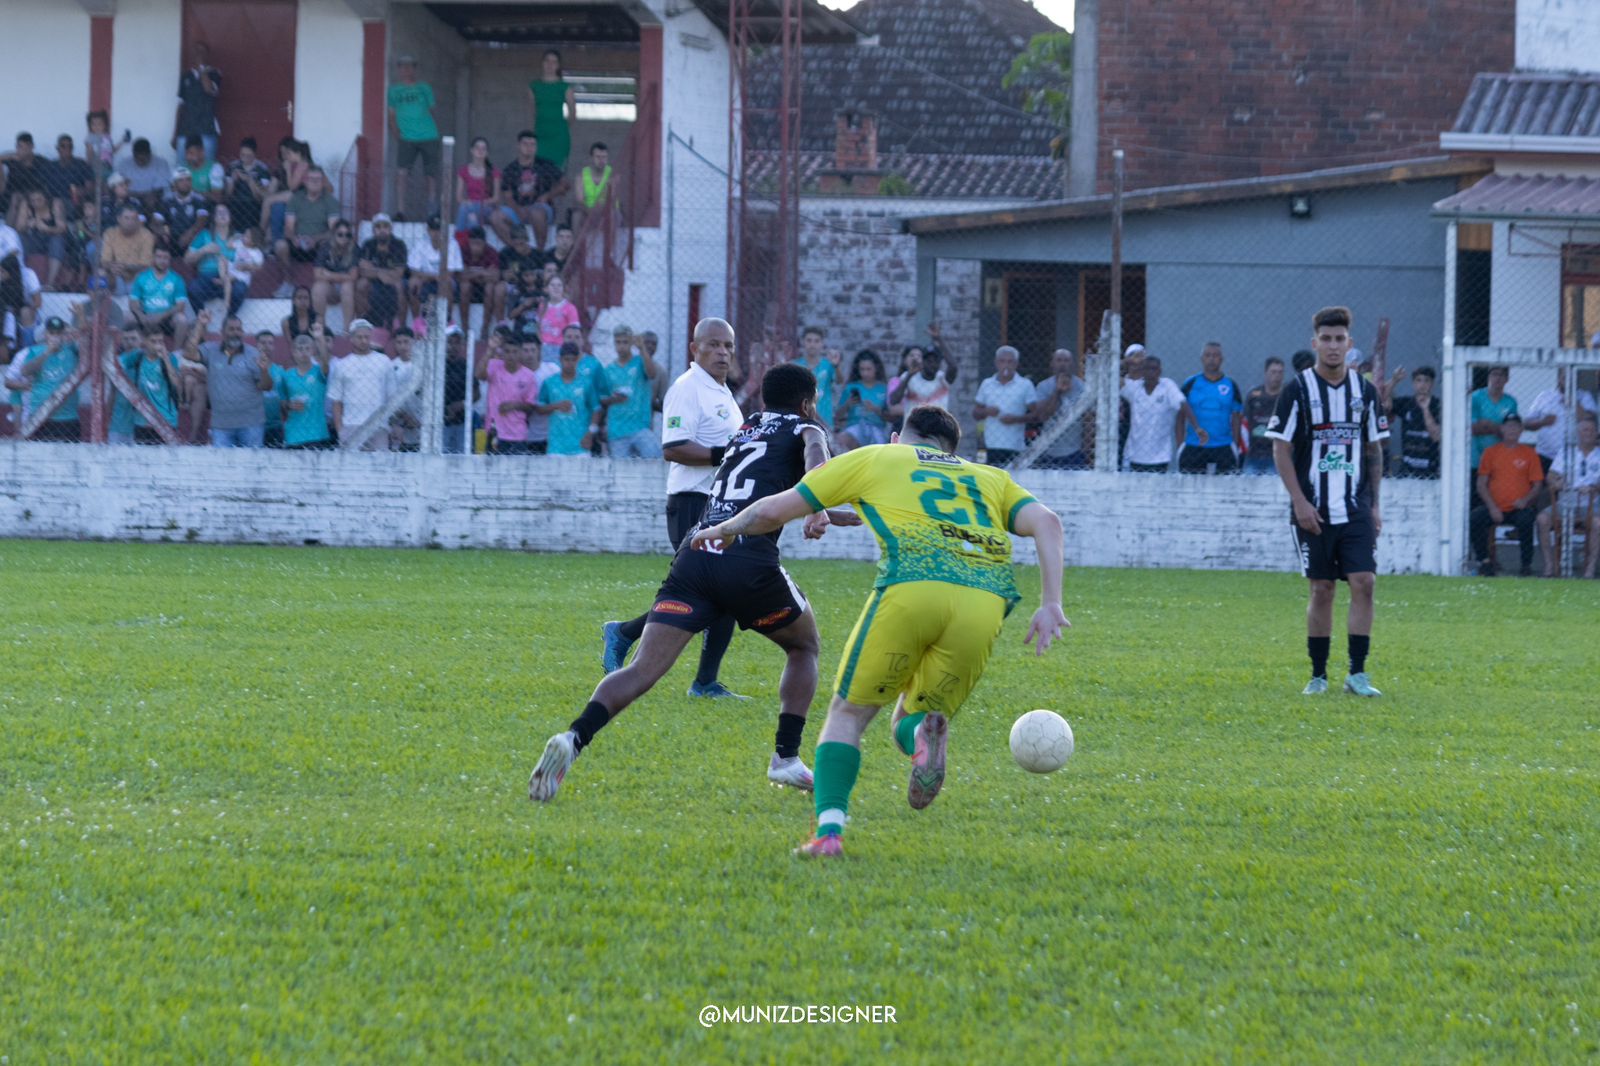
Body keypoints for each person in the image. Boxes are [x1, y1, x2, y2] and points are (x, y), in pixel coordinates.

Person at [686, 404, 1067, 857]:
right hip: (986, 603)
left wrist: (727, 528)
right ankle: (921, 735)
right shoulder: (989, 477)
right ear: (952, 450)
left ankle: (829, 835)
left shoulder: (878, 457)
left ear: (897, 438)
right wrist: (1051, 602)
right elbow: (1048, 522)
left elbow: (776, 508)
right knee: (910, 717)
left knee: (847, 714)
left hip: (913, 587)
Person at [529, 363, 862, 804]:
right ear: (807, 402)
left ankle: (572, 738)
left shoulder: (746, 429)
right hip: (746, 558)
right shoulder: (807, 427)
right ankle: (785, 757)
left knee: (641, 670)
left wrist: (827, 513)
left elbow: (756, 490)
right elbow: (816, 459)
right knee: (804, 647)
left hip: (697, 553)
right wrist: (819, 506)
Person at [600, 318, 750, 699]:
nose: (722, 352)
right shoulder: (687, 389)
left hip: (718, 504)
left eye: (728, 346)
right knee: (712, 593)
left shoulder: (722, 392)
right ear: (694, 349)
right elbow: (674, 448)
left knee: (718, 593)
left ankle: (634, 638)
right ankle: (699, 680)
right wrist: (726, 455)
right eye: (713, 344)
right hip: (690, 503)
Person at [1266, 305, 1390, 697]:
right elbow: (1280, 449)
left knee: (1364, 582)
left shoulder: (1364, 392)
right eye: (1326, 339)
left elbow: (1374, 449)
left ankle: (1357, 674)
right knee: (1322, 589)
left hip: (1355, 507)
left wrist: (1374, 505)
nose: (1333, 346)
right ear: (1315, 343)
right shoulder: (1297, 390)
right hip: (1313, 509)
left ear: (1349, 344)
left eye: (1340, 339)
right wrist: (1299, 502)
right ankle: (1318, 675)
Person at [1470, 413, 1543, 577]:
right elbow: (1481, 484)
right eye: (1508, 426)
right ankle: (1485, 562)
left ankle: (1526, 565)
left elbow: (1537, 485)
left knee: (1526, 520)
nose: (1512, 430)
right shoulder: (1490, 452)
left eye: (1516, 426)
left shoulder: (1530, 453)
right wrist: (1492, 507)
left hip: (1519, 507)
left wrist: (1525, 500)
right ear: (1502, 429)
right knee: (1474, 519)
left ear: (1521, 430)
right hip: (1495, 507)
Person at [184, 311, 271, 447]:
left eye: (239, 329)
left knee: (253, 461)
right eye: (231, 329)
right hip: (221, 426)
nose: (236, 333)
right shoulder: (211, 350)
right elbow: (189, 353)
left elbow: (266, 386)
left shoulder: (254, 354)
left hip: (251, 424)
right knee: (223, 462)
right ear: (222, 332)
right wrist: (200, 324)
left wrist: (264, 371)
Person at [1536, 414, 1600, 578]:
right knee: (1542, 519)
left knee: (1598, 524)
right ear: (1577, 433)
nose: (1588, 433)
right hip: (1565, 502)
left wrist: (1593, 487)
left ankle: (1590, 568)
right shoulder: (1566, 452)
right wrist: (1557, 483)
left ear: (1597, 433)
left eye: (1591, 430)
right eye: (1584, 430)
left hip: (1592, 504)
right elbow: (1550, 476)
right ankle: (1549, 565)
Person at [1121, 354, 1201, 472]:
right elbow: (1114, 379)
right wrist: (1126, 362)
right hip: (1134, 454)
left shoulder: (1167, 386)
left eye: (1154, 369)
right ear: (1142, 371)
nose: (1151, 372)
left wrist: (1197, 427)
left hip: (1160, 456)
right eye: (1147, 368)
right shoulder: (1135, 388)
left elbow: (1183, 404)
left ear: (1160, 371)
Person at [326, 319, 395, 451]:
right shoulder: (342, 365)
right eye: (359, 337)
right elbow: (336, 402)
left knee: (380, 463)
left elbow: (392, 397)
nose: (363, 340)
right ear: (351, 339)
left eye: (366, 337)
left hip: (378, 426)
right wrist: (340, 431)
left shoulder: (384, 361)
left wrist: (390, 424)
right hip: (351, 425)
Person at [109, 325, 183, 444]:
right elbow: (114, 366)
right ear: (145, 342)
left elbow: (176, 384)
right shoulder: (137, 356)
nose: (158, 345)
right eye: (153, 341)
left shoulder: (170, 358)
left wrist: (166, 359)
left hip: (166, 419)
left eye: (160, 341)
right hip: (142, 420)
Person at [11, 316, 81, 440]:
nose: (55, 337)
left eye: (58, 333)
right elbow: (25, 371)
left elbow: (86, 346)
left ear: (63, 334)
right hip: (40, 416)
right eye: (52, 333)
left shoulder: (71, 349)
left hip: (68, 417)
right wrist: (47, 352)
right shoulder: (35, 351)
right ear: (46, 334)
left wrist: (77, 327)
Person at [1177, 342, 1243, 474]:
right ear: (1202, 359)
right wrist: (1180, 444)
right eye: (1208, 355)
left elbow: (1237, 418)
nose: (1211, 359)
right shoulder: (1190, 383)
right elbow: (1180, 416)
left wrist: (1235, 445)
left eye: (1215, 355)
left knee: (1226, 485)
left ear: (1222, 359)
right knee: (1190, 485)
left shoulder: (1231, 385)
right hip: (1194, 445)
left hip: (1223, 446)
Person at [496, 130, 567, 248]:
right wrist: (519, 211)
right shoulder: (510, 169)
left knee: (536, 212)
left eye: (533, 144)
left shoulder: (545, 165)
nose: (529, 147)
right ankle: (518, 249)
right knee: (496, 216)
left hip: (542, 208)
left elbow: (565, 184)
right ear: (518, 146)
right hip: (518, 209)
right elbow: (508, 197)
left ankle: (539, 253)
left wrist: (547, 196)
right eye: (525, 144)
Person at [478, 330, 546, 454]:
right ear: (503, 353)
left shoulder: (529, 376)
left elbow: (531, 407)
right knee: (493, 466)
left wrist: (514, 405)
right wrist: (490, 350)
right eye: (507, 351)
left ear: (520, 353)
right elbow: (479, 375)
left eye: (514, 352)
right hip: (495, 432)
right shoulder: (494, 366)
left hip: (518, 434)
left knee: (517, 466)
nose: (511, 355)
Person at [388, 55, 441, 214]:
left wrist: (432, 130)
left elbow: (433, 110)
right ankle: (400, 211)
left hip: (429, 136)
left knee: (430, 175)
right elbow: (391, 115)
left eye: (410, 66)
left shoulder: (424, 88)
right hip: (406, 138)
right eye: (403, 66)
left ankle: (431, 211)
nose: (406, 69)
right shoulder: (393, 90)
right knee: (402, 174)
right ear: (398, 69)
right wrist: (397, 134)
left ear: (415, 69)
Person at [602, 325, 663, 458]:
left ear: (631, 343)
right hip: (617, 430)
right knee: (620, 469)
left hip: (640, 427)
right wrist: (614, 399)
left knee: (655, 458)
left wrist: (642, 348)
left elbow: (652, 374)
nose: (621, 346)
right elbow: (603, 399)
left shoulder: (640, 362)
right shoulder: (609, 370)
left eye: (625, 342)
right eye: (618, 342)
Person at [973, 345, 1038, 467]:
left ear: (1016, 364)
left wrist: (1016, 419)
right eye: (1002, 361)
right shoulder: (987, 384)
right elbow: (975, 413)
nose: (1006, 365)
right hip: (990, 445)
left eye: (1010, 362)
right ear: (996, 363)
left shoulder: (1025, 385)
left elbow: (1036, 415)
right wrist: (986, 411)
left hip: (1015, 445)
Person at [1524, 368, 1597, 475]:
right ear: (1559, 378)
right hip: (1545, 455)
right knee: (1544, 484)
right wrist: (1542, 422)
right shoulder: (1544, 396)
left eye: (1572, 377)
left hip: (1573, 456)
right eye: (1565, 377)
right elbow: (1526, 424)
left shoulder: (1584, 396)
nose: (1569, 381)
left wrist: (1573, 402)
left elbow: (1590, 420)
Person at [273, 324, 333, 450]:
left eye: (307, 349)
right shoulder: (286, 375)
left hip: (316, 433)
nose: (303, 352)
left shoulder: (319, 372)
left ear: (312, 351)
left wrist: (320, 338)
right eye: (300, 349)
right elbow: (283, 402)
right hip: (293, 434)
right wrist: (289, 405)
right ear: (294, 352)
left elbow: (325, 362)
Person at [1028, 348, 1090, 470]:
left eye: (1066, 361)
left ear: (1072, 364)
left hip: (1074, 450)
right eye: (1059, 360)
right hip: (1048, 449)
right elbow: (1043, 416)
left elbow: (1088, 419)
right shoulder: (1043, 386)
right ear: (1052, 364)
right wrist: (1057, 391)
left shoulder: (1082, 387)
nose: (1062, 364)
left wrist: (1086, 448)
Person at [538, 342, 602, 455]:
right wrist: (556, 406)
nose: (570, 363)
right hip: (556, 446)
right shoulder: (549, 382)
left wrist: (590, 434)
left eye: (573, 360)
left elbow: (596, 409)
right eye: (566, 359)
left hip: (580, 445)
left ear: (577, 360)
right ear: (560, 359)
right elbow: (539, 408)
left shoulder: (586, 383)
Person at [184, 203, 245, 318]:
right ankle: (203, 319)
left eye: (225, 212)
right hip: (208, 278)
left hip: (231, 278)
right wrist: (203, 250)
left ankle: (229, 320)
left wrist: (229, 277)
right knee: (193, 288)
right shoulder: (204, 235)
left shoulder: (238, 237)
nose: (222, 215)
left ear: (230, 216)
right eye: (219, 212)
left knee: (240, 289)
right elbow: (187, 259)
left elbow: (247, 260)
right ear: (213, 218)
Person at [276, 167, 340, 270]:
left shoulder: (331, 201)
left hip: (319, 243)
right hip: (298, 242)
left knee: (329, 245)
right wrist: (294, 238)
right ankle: (287, 277)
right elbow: (288, 227)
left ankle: (321, 275)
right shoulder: (295, 199)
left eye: (318, 179)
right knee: (280, 245)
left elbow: (334, 230)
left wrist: (315, 239)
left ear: (323, 182)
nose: (315, 182)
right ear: (305, 181)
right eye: (311, 179)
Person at [1384, 366, 1442, 479]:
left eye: (1426, 380)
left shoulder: (1438, 405)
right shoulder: (1406, 403)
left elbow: (1436, 436)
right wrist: (1394, 380)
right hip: (1407, 469)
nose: (1422, 384)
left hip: (1430, 469)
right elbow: (1384, 402)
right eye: (1418, 380)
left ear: (1432, 384)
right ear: (1413, 383)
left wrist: (1425, 409)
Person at [406, 214, 463, 325]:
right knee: (413, 282)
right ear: (428, 230)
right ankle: (417, 322)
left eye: (439, 229)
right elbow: (413, 271)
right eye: (433, 229)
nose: (436, 233)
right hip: (425, 281)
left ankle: (447, 321)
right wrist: (434, 276)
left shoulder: (452, 244)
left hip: (443, 280)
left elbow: (451, 273)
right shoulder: (420, 244)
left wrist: (430, 276)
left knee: (447, 282)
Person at [356, 213, 408, 332]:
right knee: (361, 285)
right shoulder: (368, 244)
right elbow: (363, 271)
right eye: (378, 227)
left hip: (394, 280)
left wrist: (374, 269)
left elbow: (398, 273)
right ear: (373, 230)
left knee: (399, 286)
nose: (382, 230)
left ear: (390, 229)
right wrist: (381, 274)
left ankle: (401, 327)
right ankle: (361, 324)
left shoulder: (399, 245)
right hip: (374, 279)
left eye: (385, 226)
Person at [129, 246, 190, 345]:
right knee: (128, 317)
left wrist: (161, 316)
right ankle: (132, 349)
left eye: (165, 258)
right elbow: (133, 302)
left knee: (182, 320)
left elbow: (180, 305)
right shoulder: (142, 277)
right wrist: (141, 316)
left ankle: (176, 351)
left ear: (170, 260)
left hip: (167, 319)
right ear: (153, 258)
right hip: (145, 316)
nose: (162, 261)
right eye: (159, 257)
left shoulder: (177, 279)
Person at [173, 42, 222, 162]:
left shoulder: (214, 73)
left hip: (207, 128)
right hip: (186, 129)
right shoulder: (185, 76)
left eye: (202, 52)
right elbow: (180, 106)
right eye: (196, 51)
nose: (199, 54)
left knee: (207, 166)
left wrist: (202, 70)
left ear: (207, 55)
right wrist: (175, 133)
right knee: (182, 166)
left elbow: (208, 89)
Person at [1468, 366, 1517, 484]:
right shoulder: (1475, 397)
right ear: (1488, 376)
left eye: (1501, 375)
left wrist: (1487, 425)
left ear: (1507, 379)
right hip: (1474, 459)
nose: (1497, 378)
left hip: (1498, 459)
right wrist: (1498, 428)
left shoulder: (1511, 402)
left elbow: (1510, 433)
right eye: (1494, 374)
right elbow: (1472, 429)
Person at [528, 49, 576, 171]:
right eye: (547, 61)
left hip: (559, 137)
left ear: (558, 66)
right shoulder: (534, 86)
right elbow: (533, 112)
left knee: (557, 174)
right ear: (542, 63)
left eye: (554, 62)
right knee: (538, 173)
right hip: (540, 135)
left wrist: (561, 128)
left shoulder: (565, 87)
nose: (550, 65)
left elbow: (572, 113)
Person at [14, 189, 69, 291]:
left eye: (39, 200)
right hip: (34, 239)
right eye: (33, 200)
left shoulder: (54, 203)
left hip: (51, 239)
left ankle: (50, 284)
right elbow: (18, 228)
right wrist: (28, 225)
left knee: (57, 240)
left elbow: (63, 228)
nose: (36, 203)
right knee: (20, 239)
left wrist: (47, 228)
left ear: (46, 199)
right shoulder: (26, 204)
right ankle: (18, 280)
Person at [836, 349, 890, 450]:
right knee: (841, 441)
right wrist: (847, 405)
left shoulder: (884, 388)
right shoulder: (850, 387)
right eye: (862, 369)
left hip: (877, 428)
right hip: (854, 427)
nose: (865, 373)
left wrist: (875, 409)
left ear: (876, 368)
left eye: (869, 369)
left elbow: (891, 417)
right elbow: (837, 416)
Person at [311, 220, 359, 330]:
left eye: (347, 235)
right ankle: (321, 329)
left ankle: (347, 330)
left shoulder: (354, 249)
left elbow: (353, 276)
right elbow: (317, 274)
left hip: (348, 290)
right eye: (340, 234)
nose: (344, 237)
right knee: (318, 288)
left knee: (347, 286)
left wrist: (328, 274)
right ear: (334, 234)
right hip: (330, 288)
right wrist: (343, 276)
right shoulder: (325, 248)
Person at [98, 203, 156, 293]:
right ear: (119, 219)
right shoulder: (110, 233)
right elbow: (105, 261)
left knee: (144, 274)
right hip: (117, 275)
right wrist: (112, 267)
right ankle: (106, 300)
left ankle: (137, 297)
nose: (130, 222)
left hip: (136, 276)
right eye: (126, 218)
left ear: (138, 220)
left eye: (134, 218)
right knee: (101, 272)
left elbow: (145, 265)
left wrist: (125, 267)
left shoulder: (146, 235)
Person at [792, 326, 841, 429]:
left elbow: (839, 381)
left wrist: (836, 366)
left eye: (816, 341)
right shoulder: (795, 365)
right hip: (801, 417)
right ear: (803, 342)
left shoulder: (828, 365)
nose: (812, 345)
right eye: (809, 340)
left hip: (825, 418)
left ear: (822, 343)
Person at [225, 137, 275, 235]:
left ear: (255, 155)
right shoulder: (233, 166)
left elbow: (263, 197)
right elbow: (227, 196)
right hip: (235, 203)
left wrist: (250, 181)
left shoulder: (262, 169)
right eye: (242, 155)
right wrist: (233, 181)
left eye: (249, 156)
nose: (245, 158)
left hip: (254, 205)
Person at [454, 137, 504, 233]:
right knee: (471, 218)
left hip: (487, 207)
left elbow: (496, 198)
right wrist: (468, 203)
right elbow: (459, 197)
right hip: (470, 206)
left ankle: (458, 236)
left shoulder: (493, 171)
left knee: (465, 209)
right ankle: (475, 236)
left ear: (487, 152)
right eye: (477, 148)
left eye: (483, 149)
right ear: (471, 150)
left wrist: (482, 203)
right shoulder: (463, 171)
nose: (480, 151)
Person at [458, 226, 505, 327]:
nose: (475, 247)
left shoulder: (491, 252)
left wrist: (471, 273)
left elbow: (496, 277)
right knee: (465, 286)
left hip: (484, 286)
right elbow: (460, 276)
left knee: (490, 287)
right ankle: (464, 326)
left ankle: (485, 327)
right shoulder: (463, 250)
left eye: (478, 244)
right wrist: (483, 272)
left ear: (484, 243)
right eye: (472, 243)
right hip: (469, 286)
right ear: (469, 242)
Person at [538, 275, 580, 362]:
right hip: (544, 349)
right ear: (546, 288)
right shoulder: (542, 306)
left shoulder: (570, 308)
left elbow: (574, 333)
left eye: (559, 285)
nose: (556, 288)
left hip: (562, 350)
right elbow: (538, 328)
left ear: (563, 288)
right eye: (552, 285)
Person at [179, 136, 225, 201]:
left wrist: (193, 192)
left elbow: (217, 198)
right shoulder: (183, 169)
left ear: (201, 152)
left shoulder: (215, 168)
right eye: (186, 153)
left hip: (208, 205)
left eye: (191, 153)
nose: (188, 157)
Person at [579, 142, 612, 210]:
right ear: (591, 158)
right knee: (577, 214)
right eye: (598, 157)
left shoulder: (612, 173)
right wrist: (591, 213)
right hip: (588, 211)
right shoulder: (582, 175)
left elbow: (613, 198)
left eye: (604, 157)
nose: (601, 160)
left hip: (608, 210)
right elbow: (580, 201)